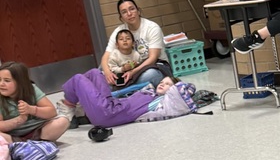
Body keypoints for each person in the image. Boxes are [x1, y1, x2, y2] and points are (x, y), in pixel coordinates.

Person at [55, 70, 193, 128]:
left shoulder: (164, 104)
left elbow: (185, 88)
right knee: (94, 72)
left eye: (168, 84)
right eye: (162, 82)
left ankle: (68, 108)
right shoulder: (150, 93)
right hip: (110, 104)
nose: (162, 84)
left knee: (78, 79)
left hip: (108, 114)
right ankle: (78, 107)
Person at [100, 0, 170, 89]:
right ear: (121, 17)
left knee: (151, 75)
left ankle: (119, 89)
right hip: (126, 69)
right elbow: (105, 57)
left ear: (138, 11)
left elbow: (152, 58)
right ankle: (124, 88)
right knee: (101, 70)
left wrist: (133, 72)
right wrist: (108, 73)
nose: (129, 14)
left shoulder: (152, 27)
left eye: (132, 9)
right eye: (124, 12)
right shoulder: (119, 31)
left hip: (154, 66)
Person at [0, 61, 71, 146]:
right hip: (13, 136)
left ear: (20, 82)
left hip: (38, 131)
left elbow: (52, 112)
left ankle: (33, 143)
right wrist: (20, 120)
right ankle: (24, 144)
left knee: (63, 121)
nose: (1, 84)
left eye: (7, 80)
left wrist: (32, 109)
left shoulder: (31, 89)